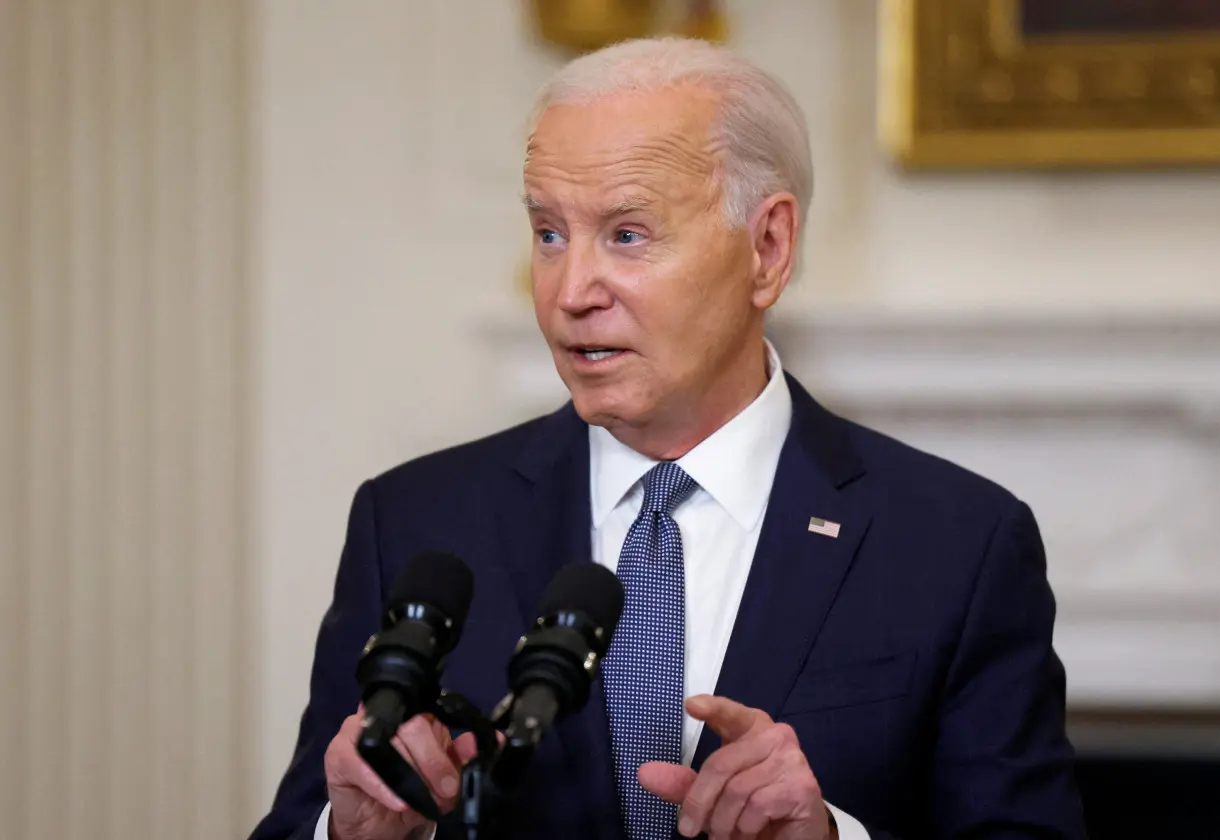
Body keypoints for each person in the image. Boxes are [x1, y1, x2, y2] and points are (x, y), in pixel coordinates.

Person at [247, 37, 1086, 840]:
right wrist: (354, 834)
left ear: (768, 248)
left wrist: (827, 839)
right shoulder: (414, 523)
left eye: (627, 234)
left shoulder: (956, 543)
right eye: (548, 233)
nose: (571, 290)